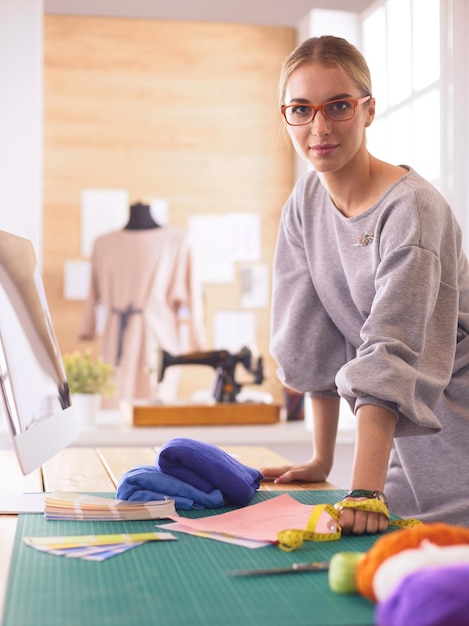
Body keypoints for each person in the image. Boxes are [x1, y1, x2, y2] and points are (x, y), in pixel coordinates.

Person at [260, 35, 469, 535]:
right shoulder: (306, 201)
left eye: (338, 106)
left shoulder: (412, 211)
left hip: (456, 437)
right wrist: (321, 458)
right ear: (285, 115)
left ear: (368, 110)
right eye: (301, 109)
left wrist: (364, 490)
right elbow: (312, 341)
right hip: (394, 446)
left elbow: (388, 355)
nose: (320, 127)